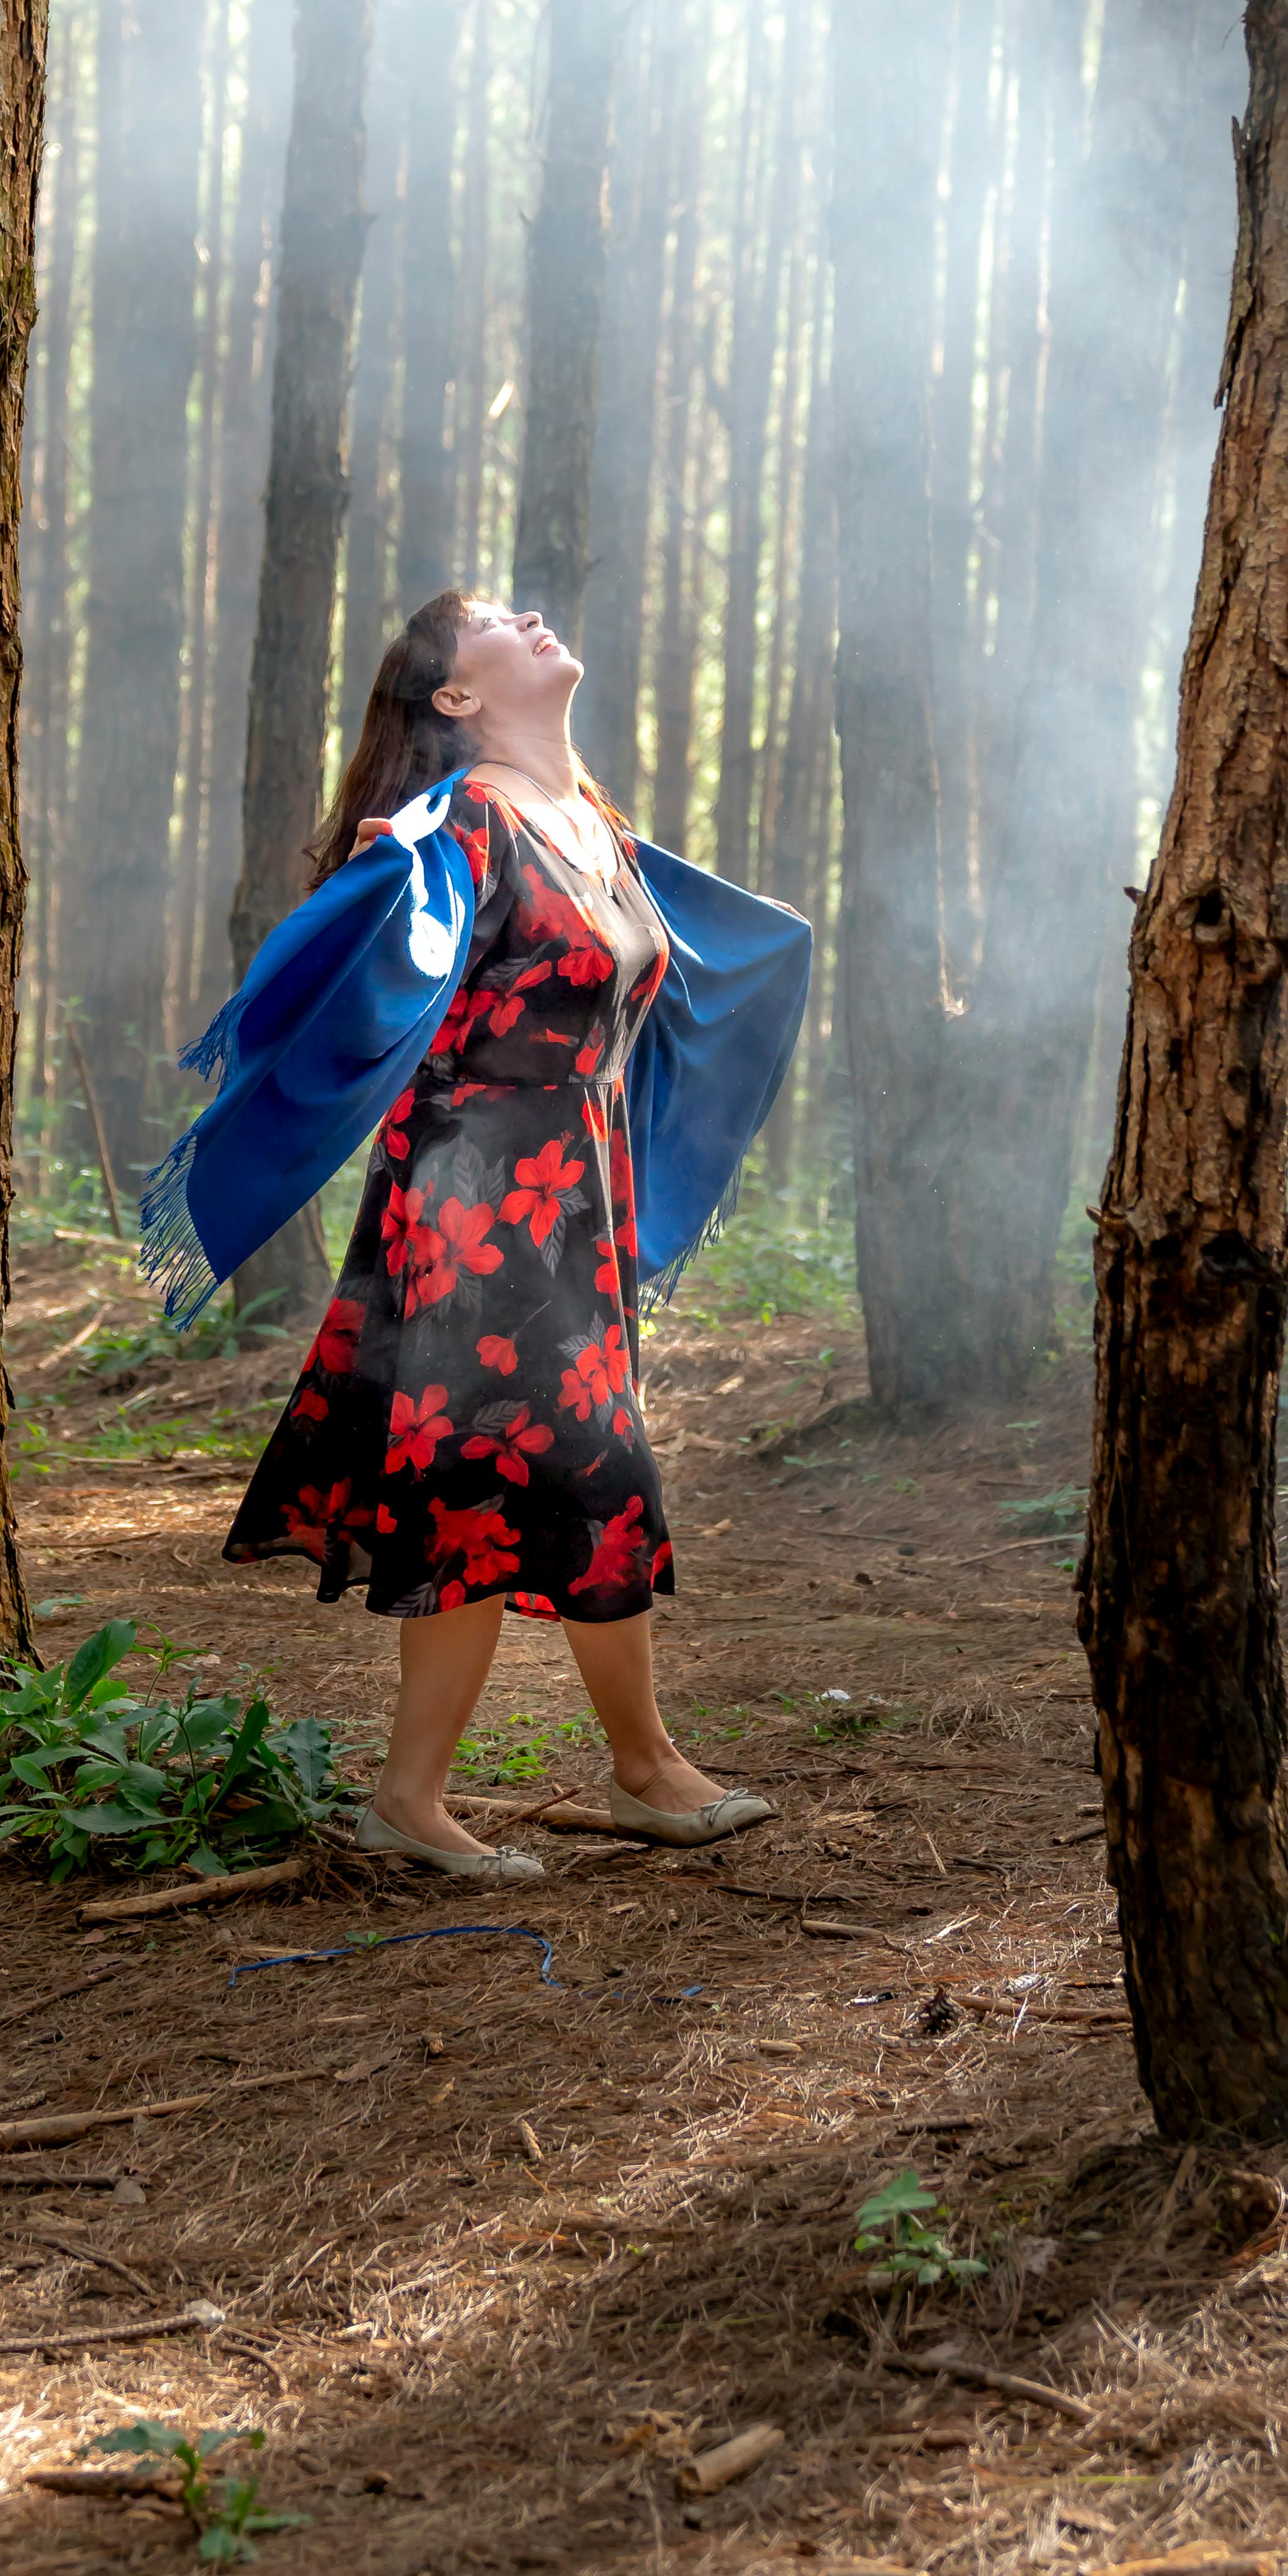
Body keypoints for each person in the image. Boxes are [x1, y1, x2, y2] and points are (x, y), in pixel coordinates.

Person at [143, 590, 812, 1879]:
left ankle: (524, 1781)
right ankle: (620, 1772)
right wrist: (399, 870)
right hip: (474, 1205)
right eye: (498, 618)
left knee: (525, 1485)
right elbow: (389, 955)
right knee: (545, 1475)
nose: (540, 615)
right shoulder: (460, 826)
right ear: (454, 699)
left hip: (570, 1202)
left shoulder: (592, 823)